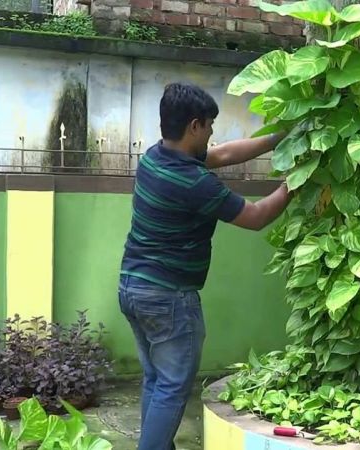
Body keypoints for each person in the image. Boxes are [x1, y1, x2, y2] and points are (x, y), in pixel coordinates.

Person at [118, 82, 291, 450]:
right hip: (169, 298)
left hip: (133, 286)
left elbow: (226, 154)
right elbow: (257, 216)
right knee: (172, 386)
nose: (213, 132)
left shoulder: (154, 157)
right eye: (210, 124)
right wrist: (296, 183)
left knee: (156, 379)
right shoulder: (194, 183)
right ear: (194, 126)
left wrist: (280, 137)